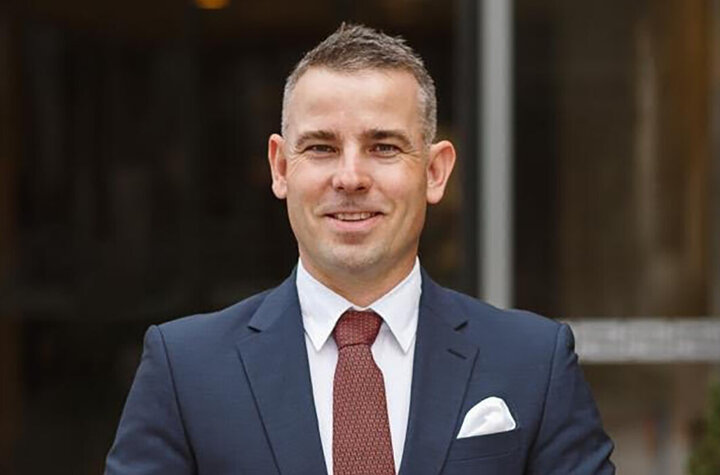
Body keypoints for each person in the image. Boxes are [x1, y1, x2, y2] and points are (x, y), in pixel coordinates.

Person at [105, 23, 614, 475]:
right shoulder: (185, 369)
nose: (350, 178)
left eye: (384, 147)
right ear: (281, 168)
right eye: (322, 147)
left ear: (435, 171)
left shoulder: (533, 363)